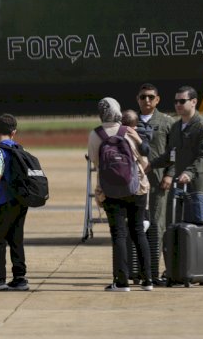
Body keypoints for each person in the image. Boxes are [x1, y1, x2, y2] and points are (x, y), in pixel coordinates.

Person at [150, 85, 203, 286]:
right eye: (176, 101)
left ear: (193, 102)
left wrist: (189, 172)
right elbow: (171, 155)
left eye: (182, 101)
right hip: (179, 187)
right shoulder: (176, 127)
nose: (177, 104)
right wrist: (151, 164)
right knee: (173, 225)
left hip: (199, 185)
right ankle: (175, 270)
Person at [88, 97, 152, 292]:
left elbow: (96, 162)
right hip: (136, 188)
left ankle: (122, 281)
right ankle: (147, 280)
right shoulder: (129, 132)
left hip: (110, 190)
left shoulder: (95, 134)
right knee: (138, 231)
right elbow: (145, 162)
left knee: (118, 235)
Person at [0, 114, 30, 291]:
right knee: (17, 239)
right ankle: (20, 278)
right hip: (21, 201)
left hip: (4, 201)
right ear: (14, 132)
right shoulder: (19, 148)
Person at [135, 83, 173, 285]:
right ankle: (138, 270)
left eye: (151, 97)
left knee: (157, 226)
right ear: (137, 99)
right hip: (135, 183)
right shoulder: (130, 122)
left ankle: (153, 272)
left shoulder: (167, 122)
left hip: (159, 182)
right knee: (137, 225)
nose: (147, 100)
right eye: (143, 97)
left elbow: (174, 152)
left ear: (157, 99)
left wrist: (170, 175)